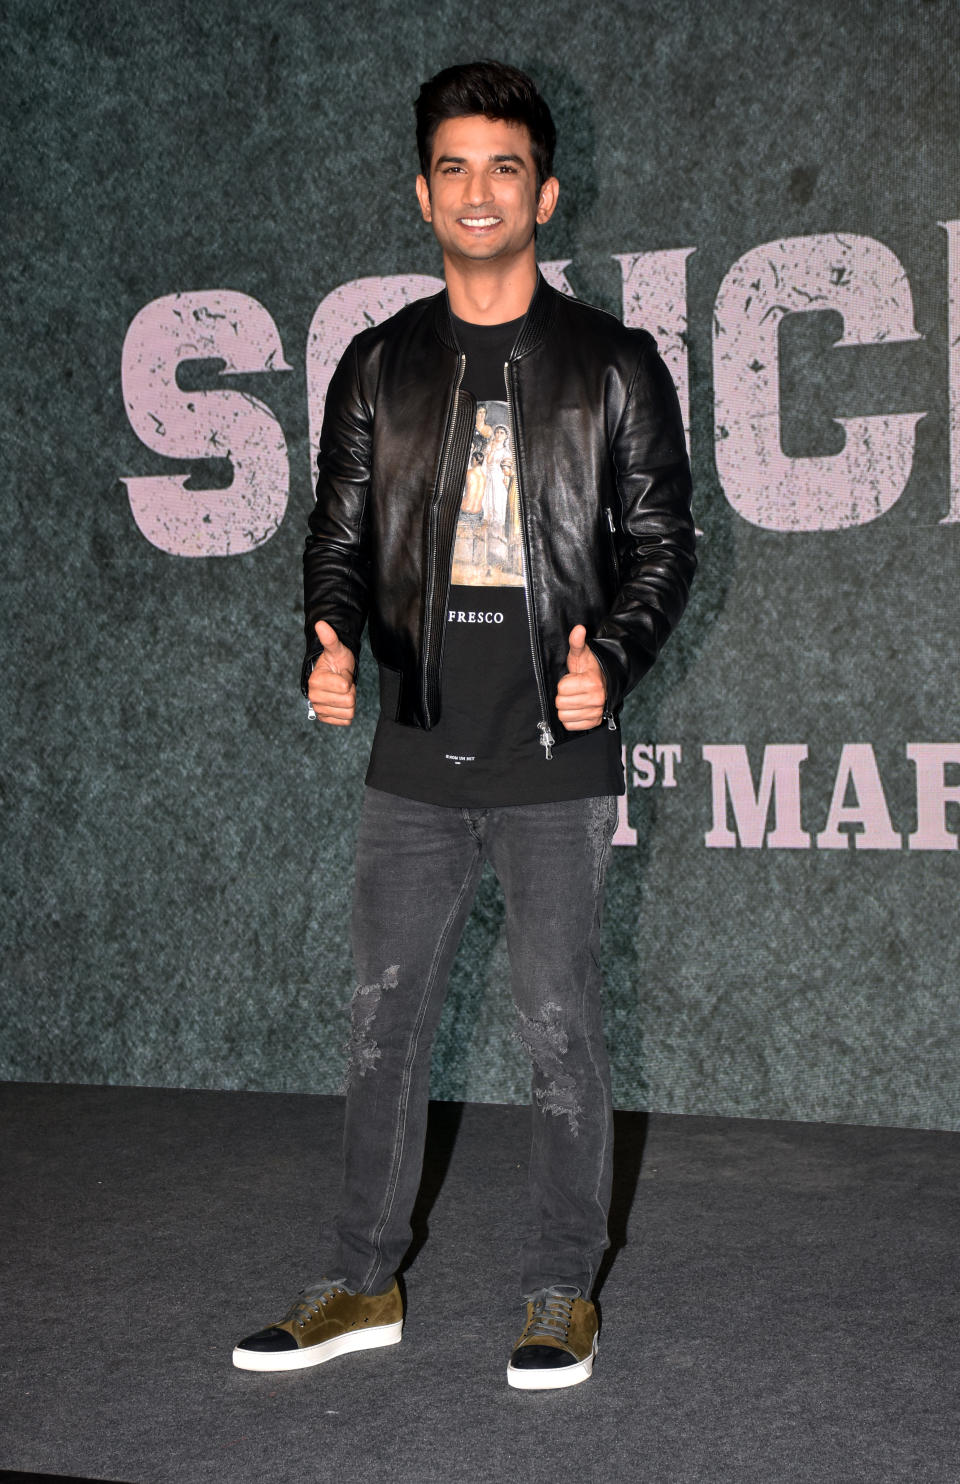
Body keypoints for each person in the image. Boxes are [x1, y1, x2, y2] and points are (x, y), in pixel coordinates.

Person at [233, 59, 695, 1391]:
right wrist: (325, 638)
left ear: (545, 191)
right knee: (382, 1023)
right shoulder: (378, 366)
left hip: (556, 755)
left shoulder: (612, 363)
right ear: (421, 194)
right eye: (452, 167)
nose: (478, 190)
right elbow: (334, 541)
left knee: (560, 1021)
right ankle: (360, 1282)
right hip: (418, 751)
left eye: (504, 166)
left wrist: (614, 653)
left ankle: (561, 1291)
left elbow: (665, 546)